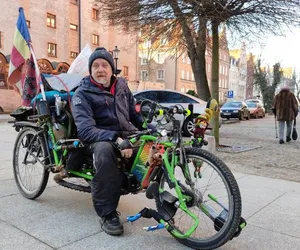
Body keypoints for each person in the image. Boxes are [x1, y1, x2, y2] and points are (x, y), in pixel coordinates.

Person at [71, 47, 148, 236]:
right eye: (95, 66)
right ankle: (107, 213)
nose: (100, 69)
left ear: (112, 69)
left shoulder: (121, 86)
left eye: (105, 65)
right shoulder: (82, 93)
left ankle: (140, 184)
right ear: (90, 70)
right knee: (106, 152)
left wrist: (148, 127)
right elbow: (86, 130)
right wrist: (115, 139)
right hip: (97, 139)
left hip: (125, 134)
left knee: (153, 147)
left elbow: (133, 113)